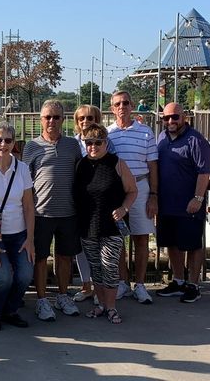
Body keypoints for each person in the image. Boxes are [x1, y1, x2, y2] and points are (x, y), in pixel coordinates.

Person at [23, 100, 82, 321]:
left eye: (56, 117)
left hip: (68, 212)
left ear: (63, 120)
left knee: (65, 257)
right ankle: (41, 300)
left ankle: (63, 295)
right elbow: (25, 181)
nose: (52, 121)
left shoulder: (72, 145)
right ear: (41, 120)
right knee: (40, 258)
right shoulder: (32, 146)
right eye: (48, 117)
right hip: (41, 212)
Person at [73, 123, 138, 324]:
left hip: (112, 226)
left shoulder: (117, 163)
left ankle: (111, 307)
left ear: (105, 143)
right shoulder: (81, 165)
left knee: (109, 267)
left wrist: (124, 209)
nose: (93, 146)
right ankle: (100, 304)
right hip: (88, 225)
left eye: (97, 142)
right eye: (89, 142)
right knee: (95, 267)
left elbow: (132, 190)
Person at [0, 121, 36, 332]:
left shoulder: (22, 169)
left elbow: (29, 206)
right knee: (3, 276)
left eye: (8, 140)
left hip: (18, 231)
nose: (3, 144)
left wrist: (30, 238)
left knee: (26, 273)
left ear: (14, 143)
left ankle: (10, 310)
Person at [153, 103, 210, 303]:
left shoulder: (196, 140)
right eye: (166, 117)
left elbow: (204, 173)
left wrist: (197, 198)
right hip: (166, 203)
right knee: (172, 244)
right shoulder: (161, 138)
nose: (170, 121)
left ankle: (193, 284)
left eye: (175, 117)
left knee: (193, 245)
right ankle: (178, 281)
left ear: (184, 117)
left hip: (189, 204)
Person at [107, 90, 158, 305]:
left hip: (141, 186)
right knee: (118, 239)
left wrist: (154, 195)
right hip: (117, 191)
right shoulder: (107, 134)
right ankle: (122, 283)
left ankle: (140, 284)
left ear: (132, 105)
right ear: (112, 108)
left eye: (125, 103)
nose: (122, 107)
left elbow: (153, 166)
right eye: (117, 104)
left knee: (141, 238)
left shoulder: (146, 132)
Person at [71, 104, 105, 303]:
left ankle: (101, 287)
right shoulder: (73, 144)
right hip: (80, 202)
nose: (86, 121)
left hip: (101, 201)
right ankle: (86, 286)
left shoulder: (104, 142)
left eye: (90, 118)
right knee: (82, 246)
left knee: (101, 246)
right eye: (81, 118)